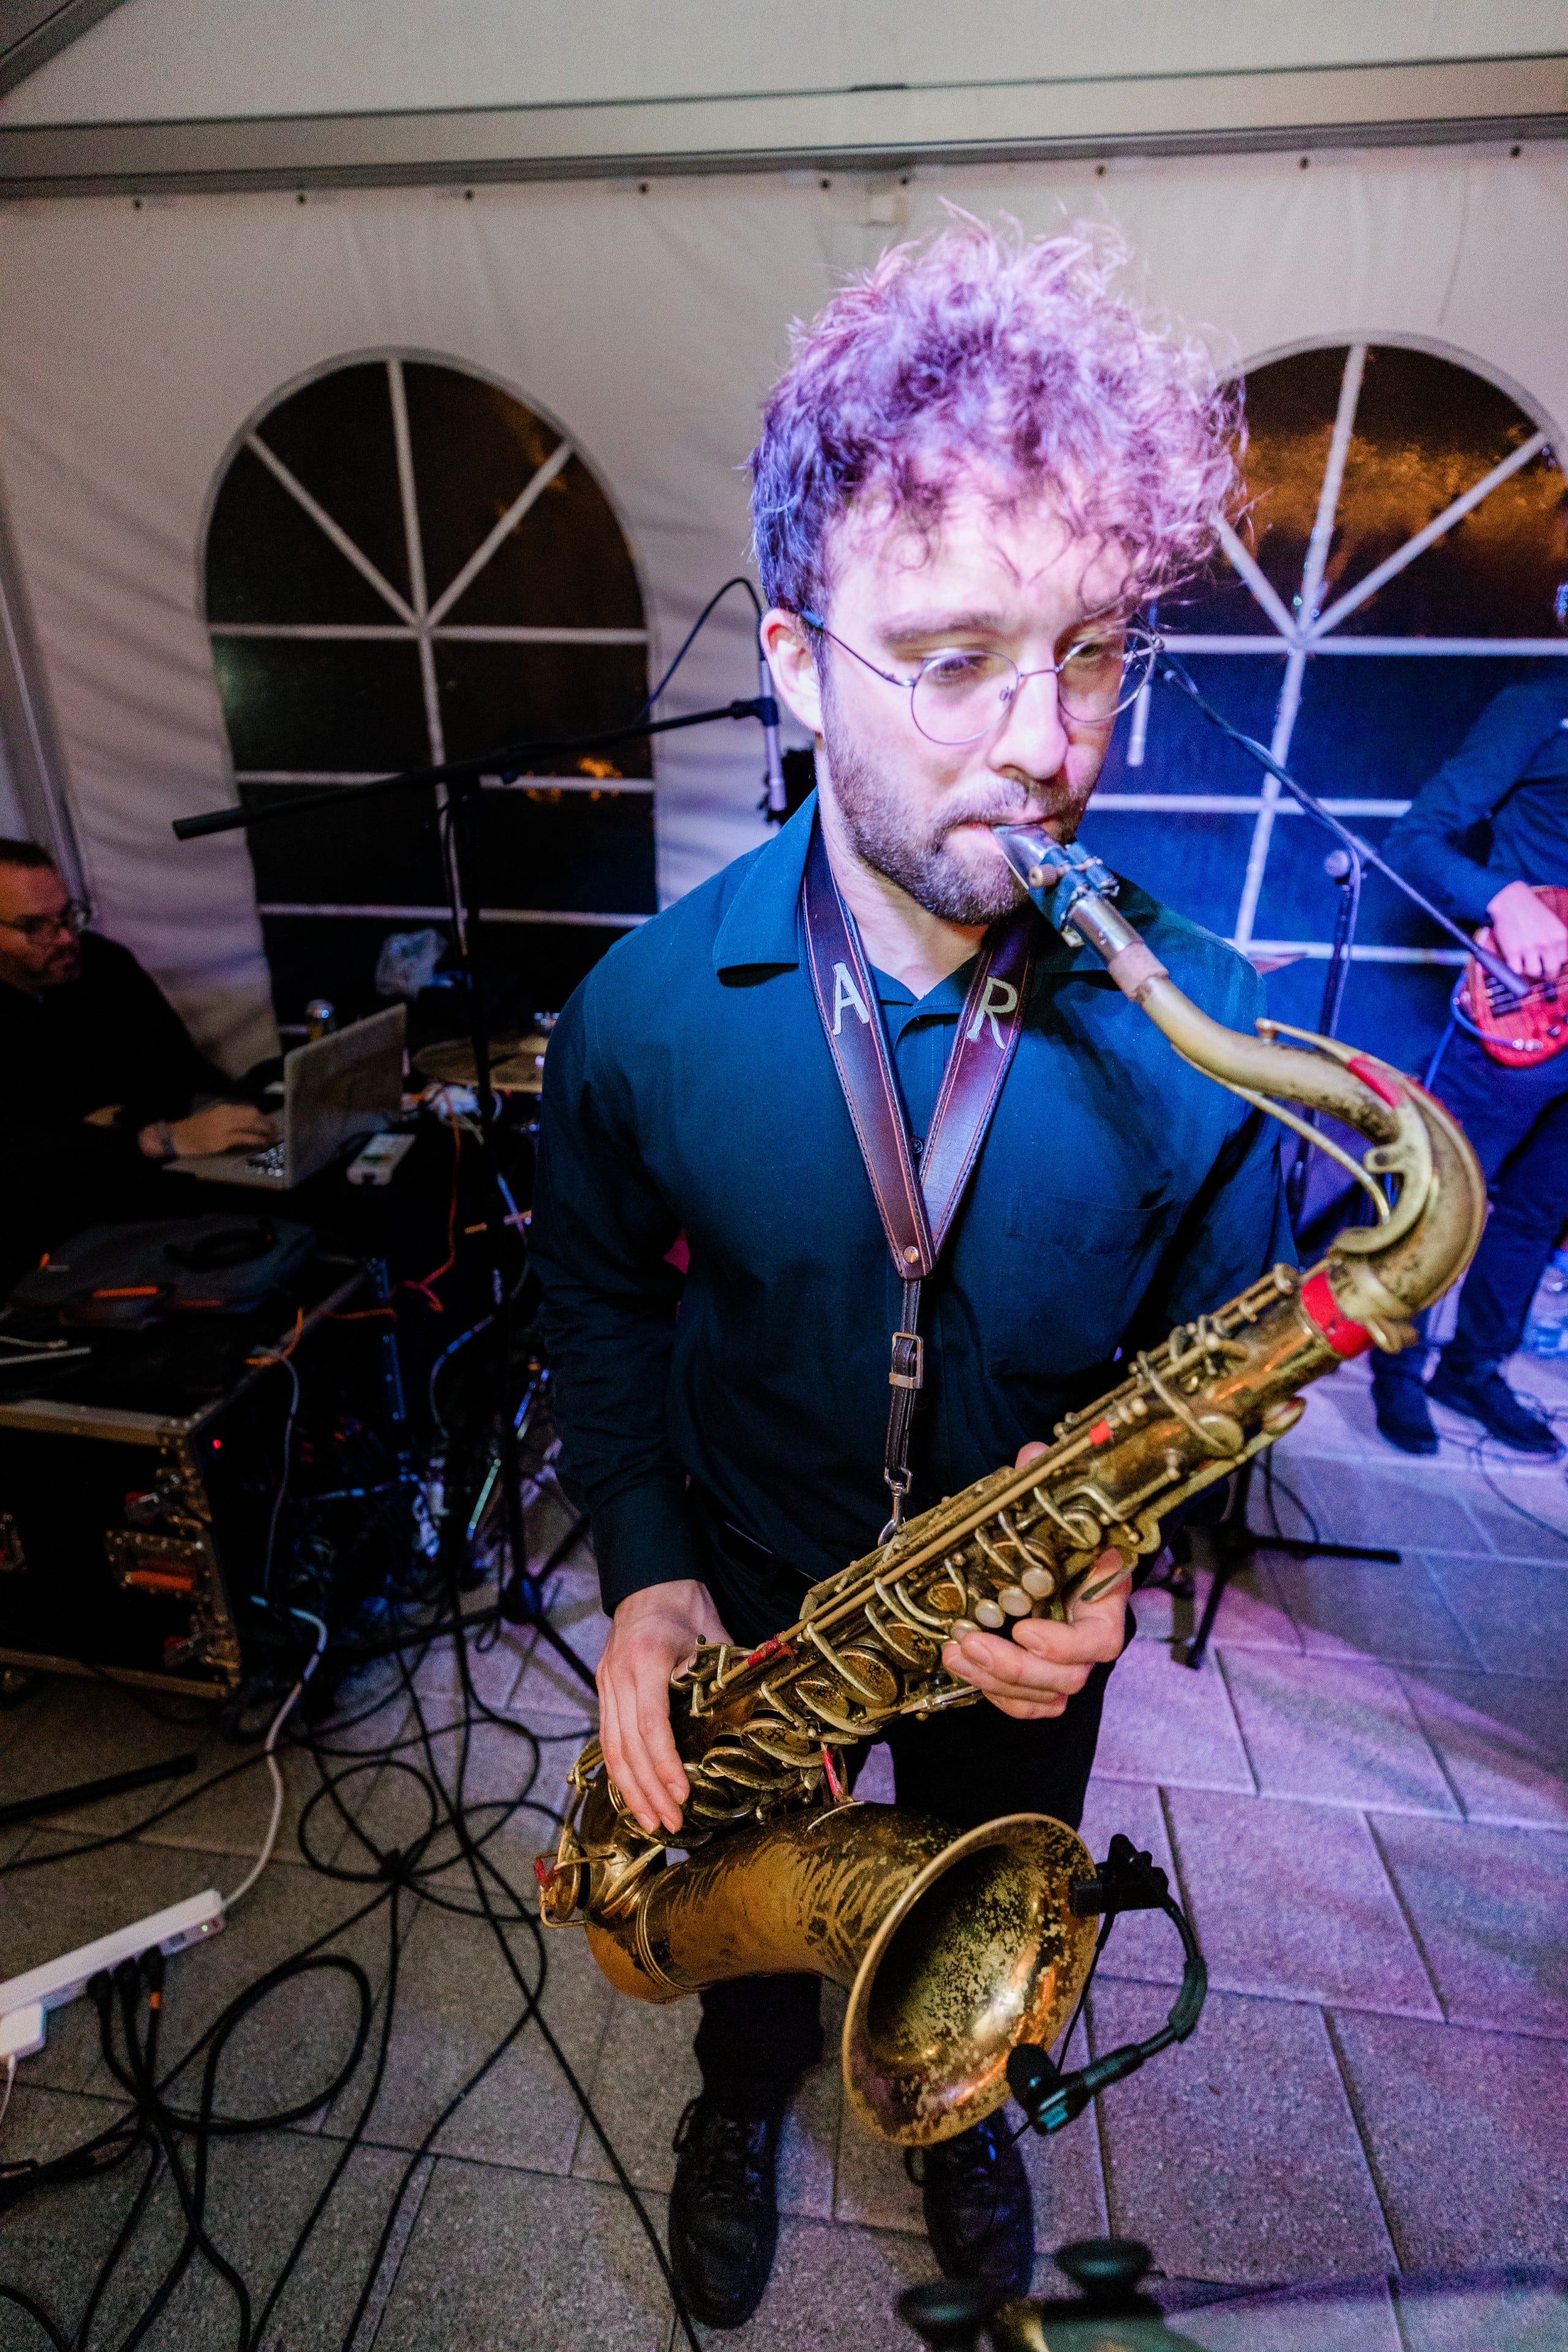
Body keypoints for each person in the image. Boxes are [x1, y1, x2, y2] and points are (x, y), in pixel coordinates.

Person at [530, 220, 1291, 2328]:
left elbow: (1208, 1383)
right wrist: (647, 1574)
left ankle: (965, 2133)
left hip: (1014, 1651)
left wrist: (1120, 1563)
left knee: (991, 1902)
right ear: (792, 658)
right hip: (762, 1592)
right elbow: (593, 1297)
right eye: (951, 661)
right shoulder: (644, 1015)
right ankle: (738, 2084)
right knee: (753, 1945)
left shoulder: (1202, 1024)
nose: (1046, 746)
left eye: (1096, 652)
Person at [1369, 677, 1568, 1457]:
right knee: (1437, 1197)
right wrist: (1499, 896)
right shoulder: (1537, 705)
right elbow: (1416, 840)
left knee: (1535, 1214)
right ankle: (1393, 1364)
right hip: (1523, 1012)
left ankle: (1473, 1370)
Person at [0, 838, 274, 1286]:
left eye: (66, 915)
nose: (67, 938)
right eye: (37, 927)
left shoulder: (103, 965)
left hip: (147, 1174)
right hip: (58, 1228)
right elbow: (20, 1162)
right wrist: (152, 1138)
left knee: (309, 1181)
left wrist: (114, 1127)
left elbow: (178, 1072)